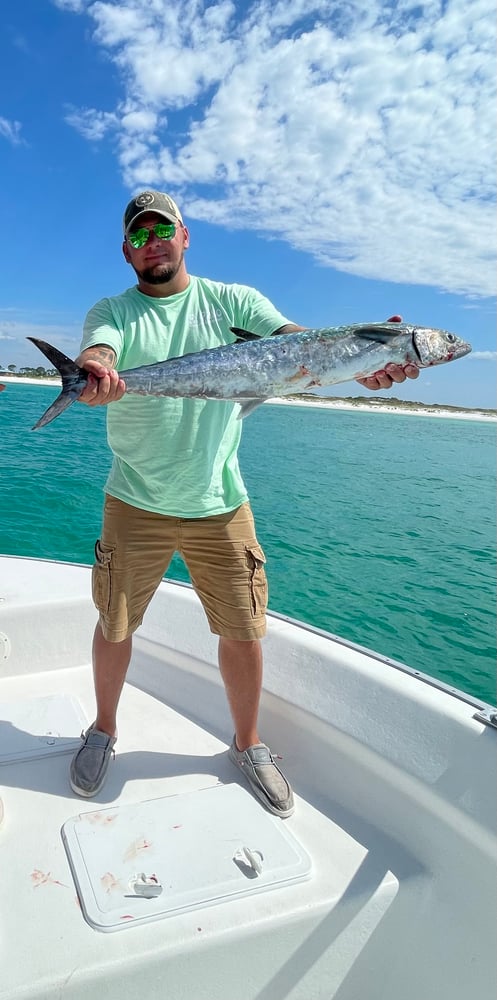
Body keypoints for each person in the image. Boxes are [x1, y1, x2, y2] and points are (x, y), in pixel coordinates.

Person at [69, 189, 420, 817]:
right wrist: (95, 370)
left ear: (185, 236)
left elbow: (298, 346)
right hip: (134, 500)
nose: (154, 243)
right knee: (115, 623)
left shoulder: (233, 301)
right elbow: (101, 349)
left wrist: (364, 363)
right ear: (127, 250)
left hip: (220, 501)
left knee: (244, 629)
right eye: (141, 236)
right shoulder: (113, 310)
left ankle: (249, 744)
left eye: (163, 231)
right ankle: (103, 729)